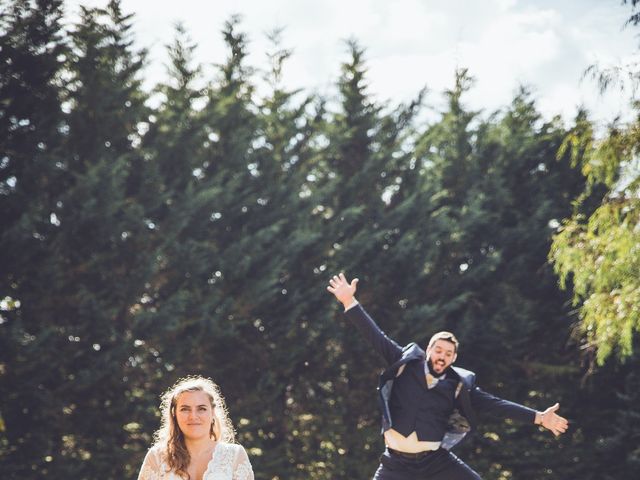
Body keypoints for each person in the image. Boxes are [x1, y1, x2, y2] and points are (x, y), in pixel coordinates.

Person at [327, 273, 569, 480]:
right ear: (428, 351)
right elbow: (375, 336)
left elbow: (496, 404)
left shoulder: (458, 385)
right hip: (396, 465)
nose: (442, 356)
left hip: (435, 463)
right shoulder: (404, 363)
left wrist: (538, 418)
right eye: (438, 350)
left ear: (454, 359)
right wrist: (349, 300)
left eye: (449, 353)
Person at [137, 376, 254, 480]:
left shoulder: (235, 455)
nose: (193, 416)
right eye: (185, 409)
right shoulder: (156, 457)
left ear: (212, 413)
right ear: (174, 414)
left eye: (201, 409)